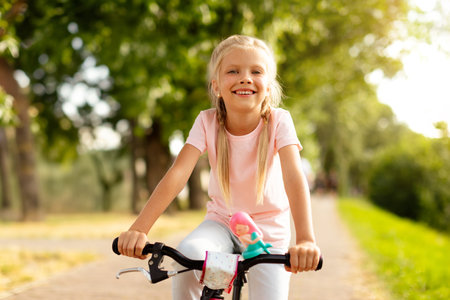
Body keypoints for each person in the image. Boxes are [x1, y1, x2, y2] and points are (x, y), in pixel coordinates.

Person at [117, 34, 321, 300]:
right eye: (233, 71)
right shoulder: (206, 122)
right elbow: (178, 174)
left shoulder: (279, 122)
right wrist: (139, 229)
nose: (245, 77)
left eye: (256, 71)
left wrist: (305, 239)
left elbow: (294, 176)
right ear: (216, 86)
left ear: (269, 87)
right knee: (188, 256)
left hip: (269, 230)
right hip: (221, 224)